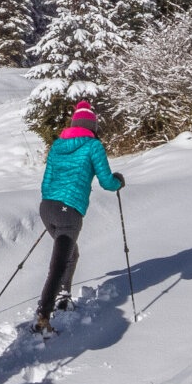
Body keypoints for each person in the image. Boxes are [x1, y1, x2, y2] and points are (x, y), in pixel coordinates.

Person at [33, 100, 124, 336]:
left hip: (47, 207)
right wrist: (118, 182)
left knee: (70, 254)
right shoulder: (93, 146)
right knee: (59, 264)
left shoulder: (57, 145)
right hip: (69, 210)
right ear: (92, 127)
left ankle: (64, 298)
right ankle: (43, 316)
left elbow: (47, 179)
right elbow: (106, 182)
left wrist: (53, 202)